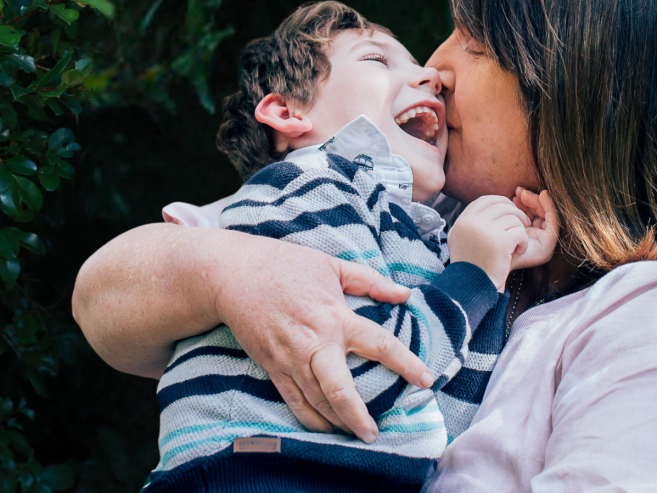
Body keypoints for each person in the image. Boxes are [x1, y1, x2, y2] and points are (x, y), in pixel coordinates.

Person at [72, 0, 657, 490]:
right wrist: (225, 271)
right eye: (383, 59)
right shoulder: (362, 198)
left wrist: (482, 276)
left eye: (474, 46)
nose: (435, 68)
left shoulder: (632, 314)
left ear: (572, 95)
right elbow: (98, 300)